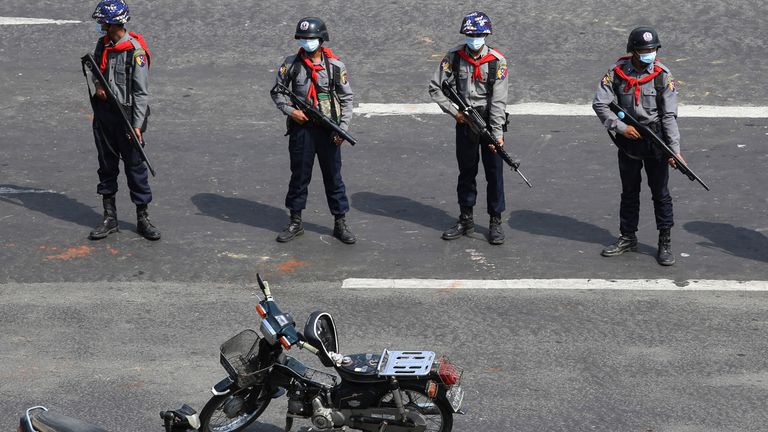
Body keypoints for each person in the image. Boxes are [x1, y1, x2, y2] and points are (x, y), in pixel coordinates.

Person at [592, 27, 681, 265]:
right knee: (629, 192)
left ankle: (665, 241)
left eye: (652, 50)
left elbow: (669, 116)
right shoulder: (616, 73)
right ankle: (628, 236)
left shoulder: (663, 75)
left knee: (660, 193)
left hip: (655, 140)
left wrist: (675, 150)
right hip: (629, 141)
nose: (648, 54)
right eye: (643, 50)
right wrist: (621, 128)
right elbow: (600, 104)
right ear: (633, 51)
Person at [270, 17, 355, 244]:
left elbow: (347, 99)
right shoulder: (291, 64)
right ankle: (295, 221)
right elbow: (277, 92)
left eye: (311, 39)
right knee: (299, 176)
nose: (307, 43)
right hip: (302, 129)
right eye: (303, 39)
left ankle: (340, 222)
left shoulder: (336, 66)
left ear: (321, 39)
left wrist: (342, 128)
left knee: (334, 178)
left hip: (329, 129)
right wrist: (290, 111)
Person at [428, 11, 509, 245]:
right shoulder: (453, 57)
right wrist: (455, 113)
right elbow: (435, 87)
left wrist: (497, 134)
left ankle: (495, 221)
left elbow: (499, 101)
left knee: (494, 174)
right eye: (471, 34)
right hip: (465, 121)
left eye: (479, 34)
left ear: (486, 35)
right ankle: (466, 219)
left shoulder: (497, 61)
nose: (475, 39)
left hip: (489, 119)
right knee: (466, 172)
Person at [88, 0, 160, 241]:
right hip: (104, 115)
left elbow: (141, 93)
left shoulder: (135, 52)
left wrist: (137, 126)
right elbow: (97, 69)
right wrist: (99, 86)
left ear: (113, 24)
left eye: (103, 23)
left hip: (128, 116)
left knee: (135, 168)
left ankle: (143, 218)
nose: (101, 27)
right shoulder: (102, 45)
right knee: (106, 166)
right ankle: (109, 218)